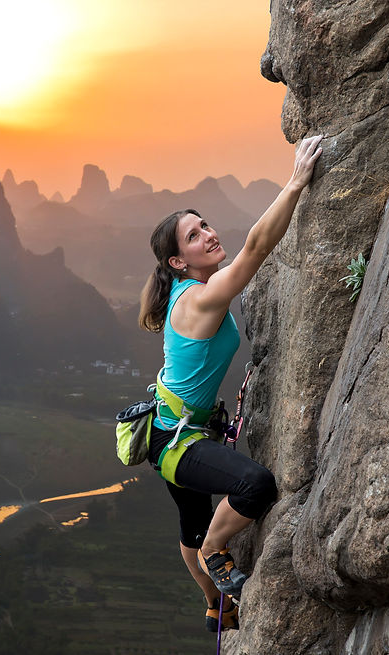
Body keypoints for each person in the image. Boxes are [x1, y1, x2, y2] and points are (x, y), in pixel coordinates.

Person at [138, 135, 324, 632]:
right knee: (254, 486)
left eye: (204, 225)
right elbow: (258, 248)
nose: (208, 235)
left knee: (189, 523)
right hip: (178, 443)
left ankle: (213, 603)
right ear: (179, 262)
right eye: (194, 237)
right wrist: (297, 182)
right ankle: (215, 553)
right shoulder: (199, 298)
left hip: (169, 429)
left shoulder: (188, 290)